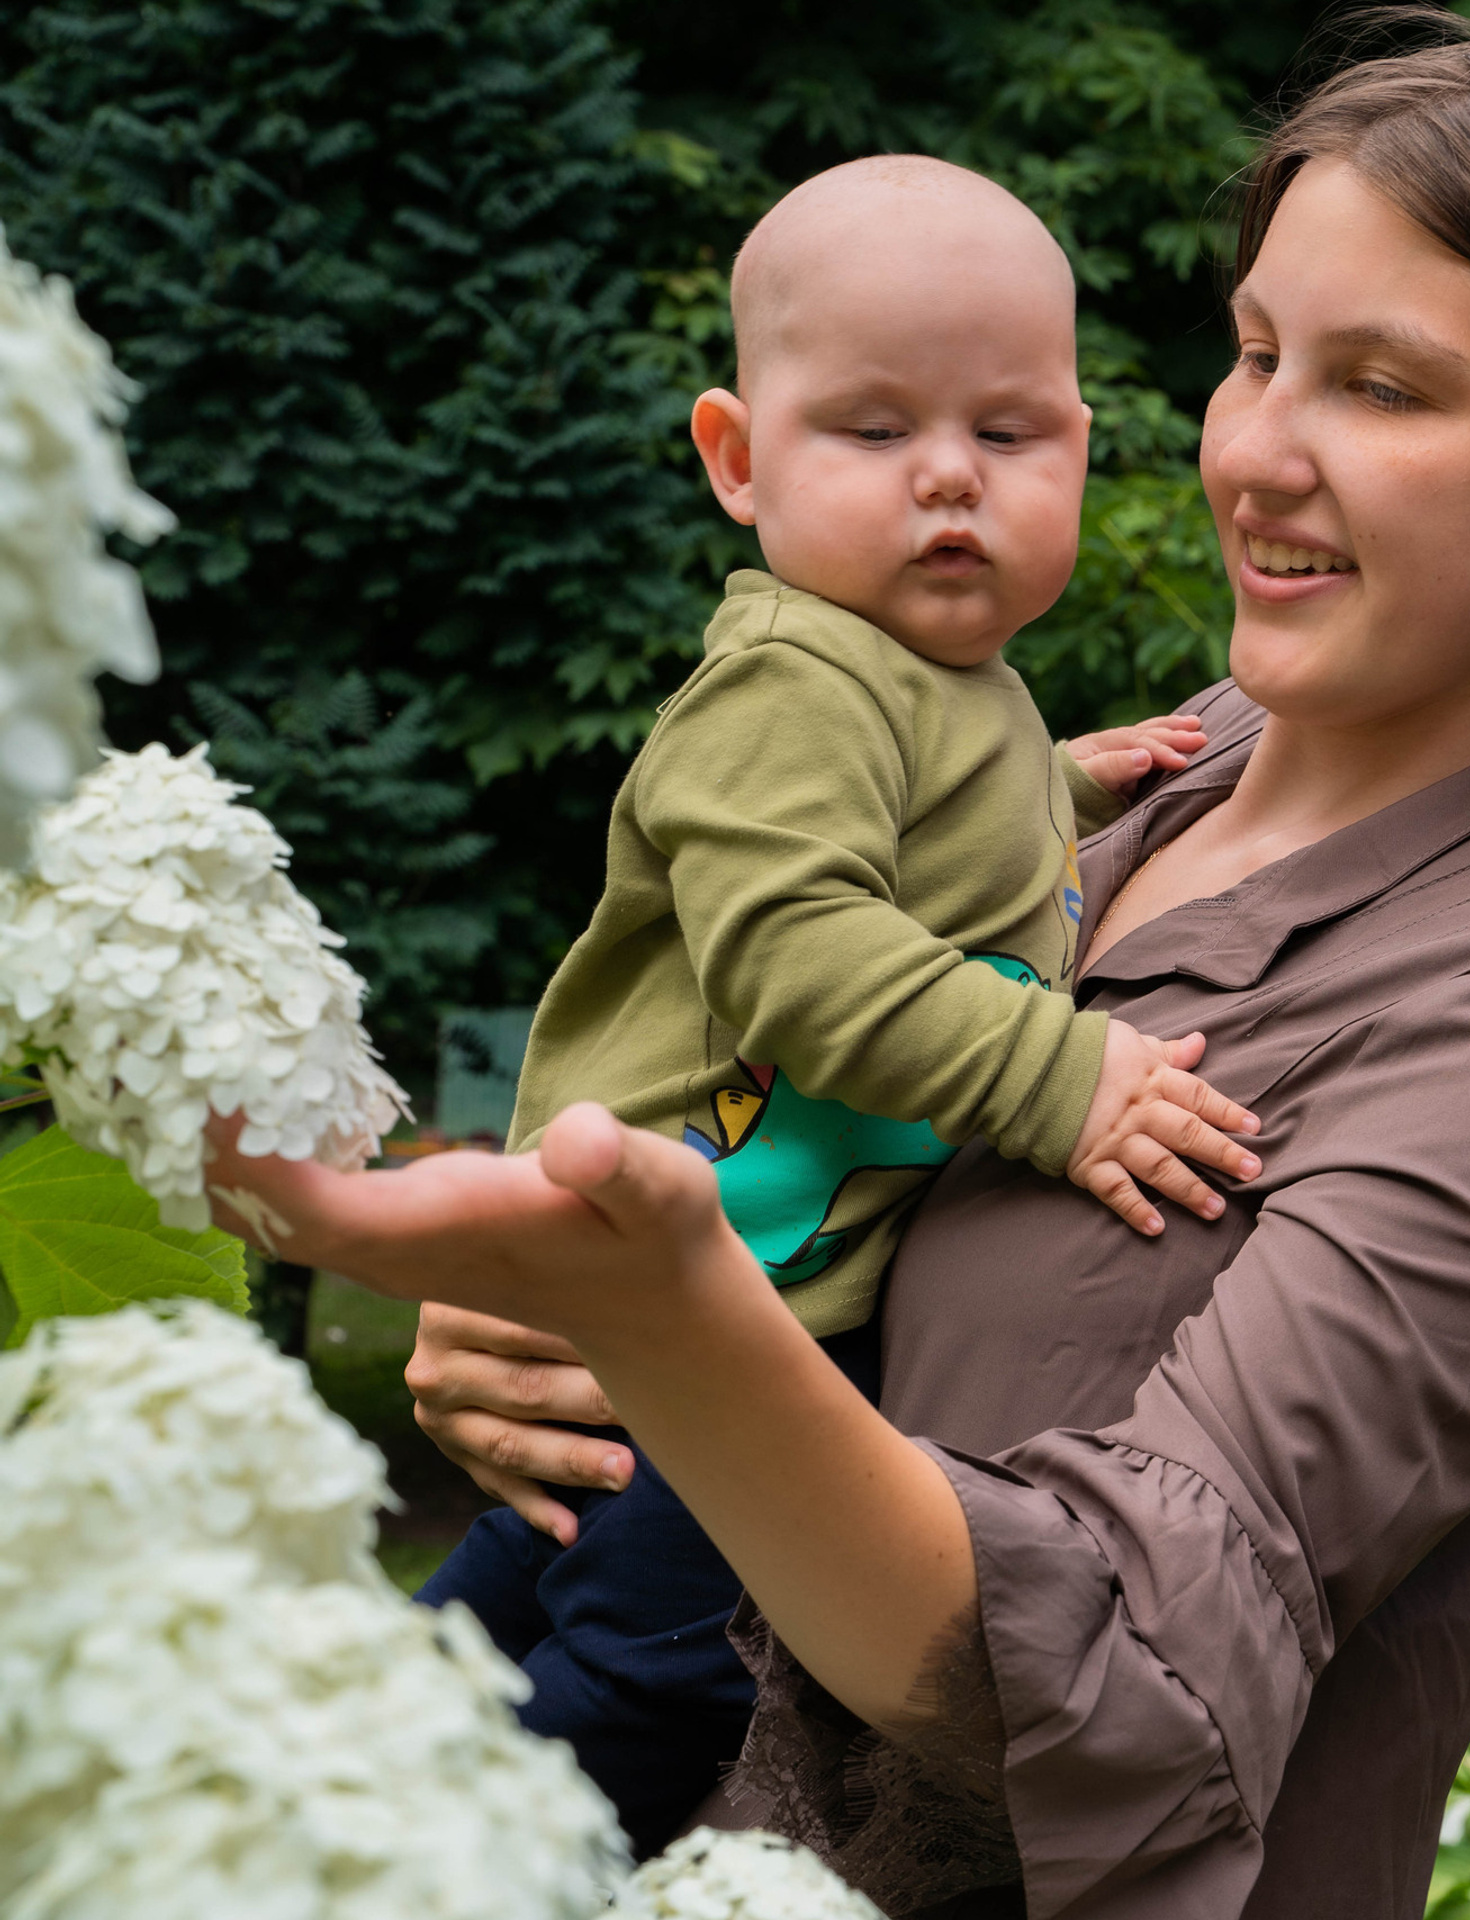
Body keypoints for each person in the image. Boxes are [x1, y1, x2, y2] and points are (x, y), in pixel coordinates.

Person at [207, 21, 1470, 1917]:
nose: (1258, 450)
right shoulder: (1130, 779)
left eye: (1382, 389)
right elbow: (785, 1105)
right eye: (1259, 351)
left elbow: (1117, 1687)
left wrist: (678, 1314)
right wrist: (554, 1346)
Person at [412, 154, 1261, 1850]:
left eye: (1007, 434)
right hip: (711, 1317)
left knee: (513, 1588)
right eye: (873, 432)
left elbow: (937, 850)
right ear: (738, 458)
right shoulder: (797, 677)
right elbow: (804, 955)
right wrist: (1060, 1075)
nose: (948, 478)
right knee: (668, 1673)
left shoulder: (952, 688)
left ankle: (312, 1777)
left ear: (1080, 452)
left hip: (697, 1313)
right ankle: (455, 1872)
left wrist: (1068, 787)